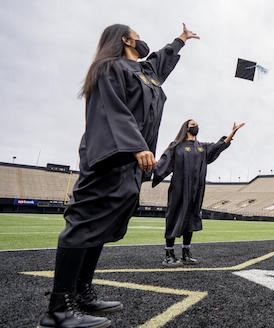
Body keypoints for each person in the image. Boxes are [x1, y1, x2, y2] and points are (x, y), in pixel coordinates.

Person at [39, 23, 199, 328]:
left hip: (131, 163)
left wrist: (181, 40)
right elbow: (113, 111)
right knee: (84, 223)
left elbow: (161, 59)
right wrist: (136, 145)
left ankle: (82, 294)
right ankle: (58, 309)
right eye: (136, 36)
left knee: (99, 227)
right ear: (125, 39)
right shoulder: (109, 68)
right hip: (110, 157)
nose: (141, 40)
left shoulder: (144, 71)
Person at [153, 120, 244, 266]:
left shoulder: (202, 147)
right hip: (179, 189)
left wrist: (232, 134)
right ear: (186, 128)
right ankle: (169, 254)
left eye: (196, 124)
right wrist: (153, 167)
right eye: (193, 124)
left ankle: (186, 254)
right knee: (174, 216)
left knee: (191, 218)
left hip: (197, 189)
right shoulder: (176, 146)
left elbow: (217, 147)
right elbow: (163, 163)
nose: (196, 126)